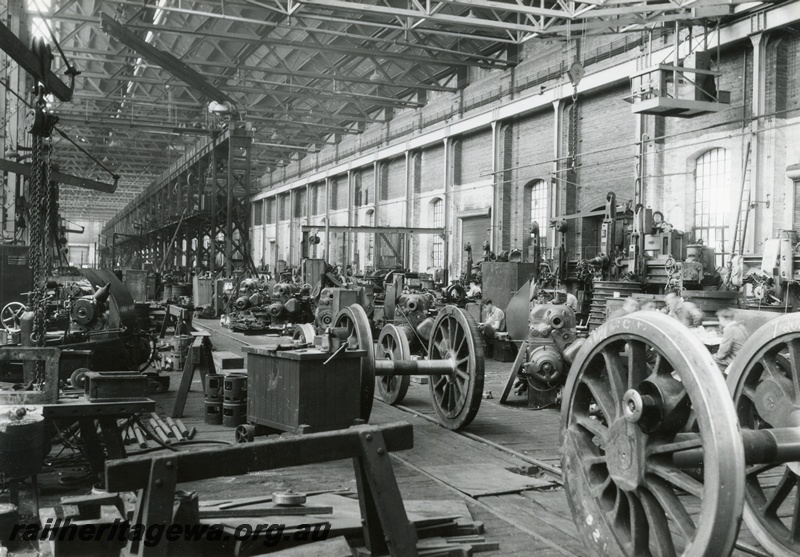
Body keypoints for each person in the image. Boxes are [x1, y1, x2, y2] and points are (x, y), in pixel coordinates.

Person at [713, 308, 748, 373]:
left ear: (723, 319)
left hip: (734, 360)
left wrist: (713, 357)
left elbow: (723, 353)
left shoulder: (729, 330)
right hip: (743, 356)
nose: (719, 322)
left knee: (710, 361)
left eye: (719, 319)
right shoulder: (740, 326)